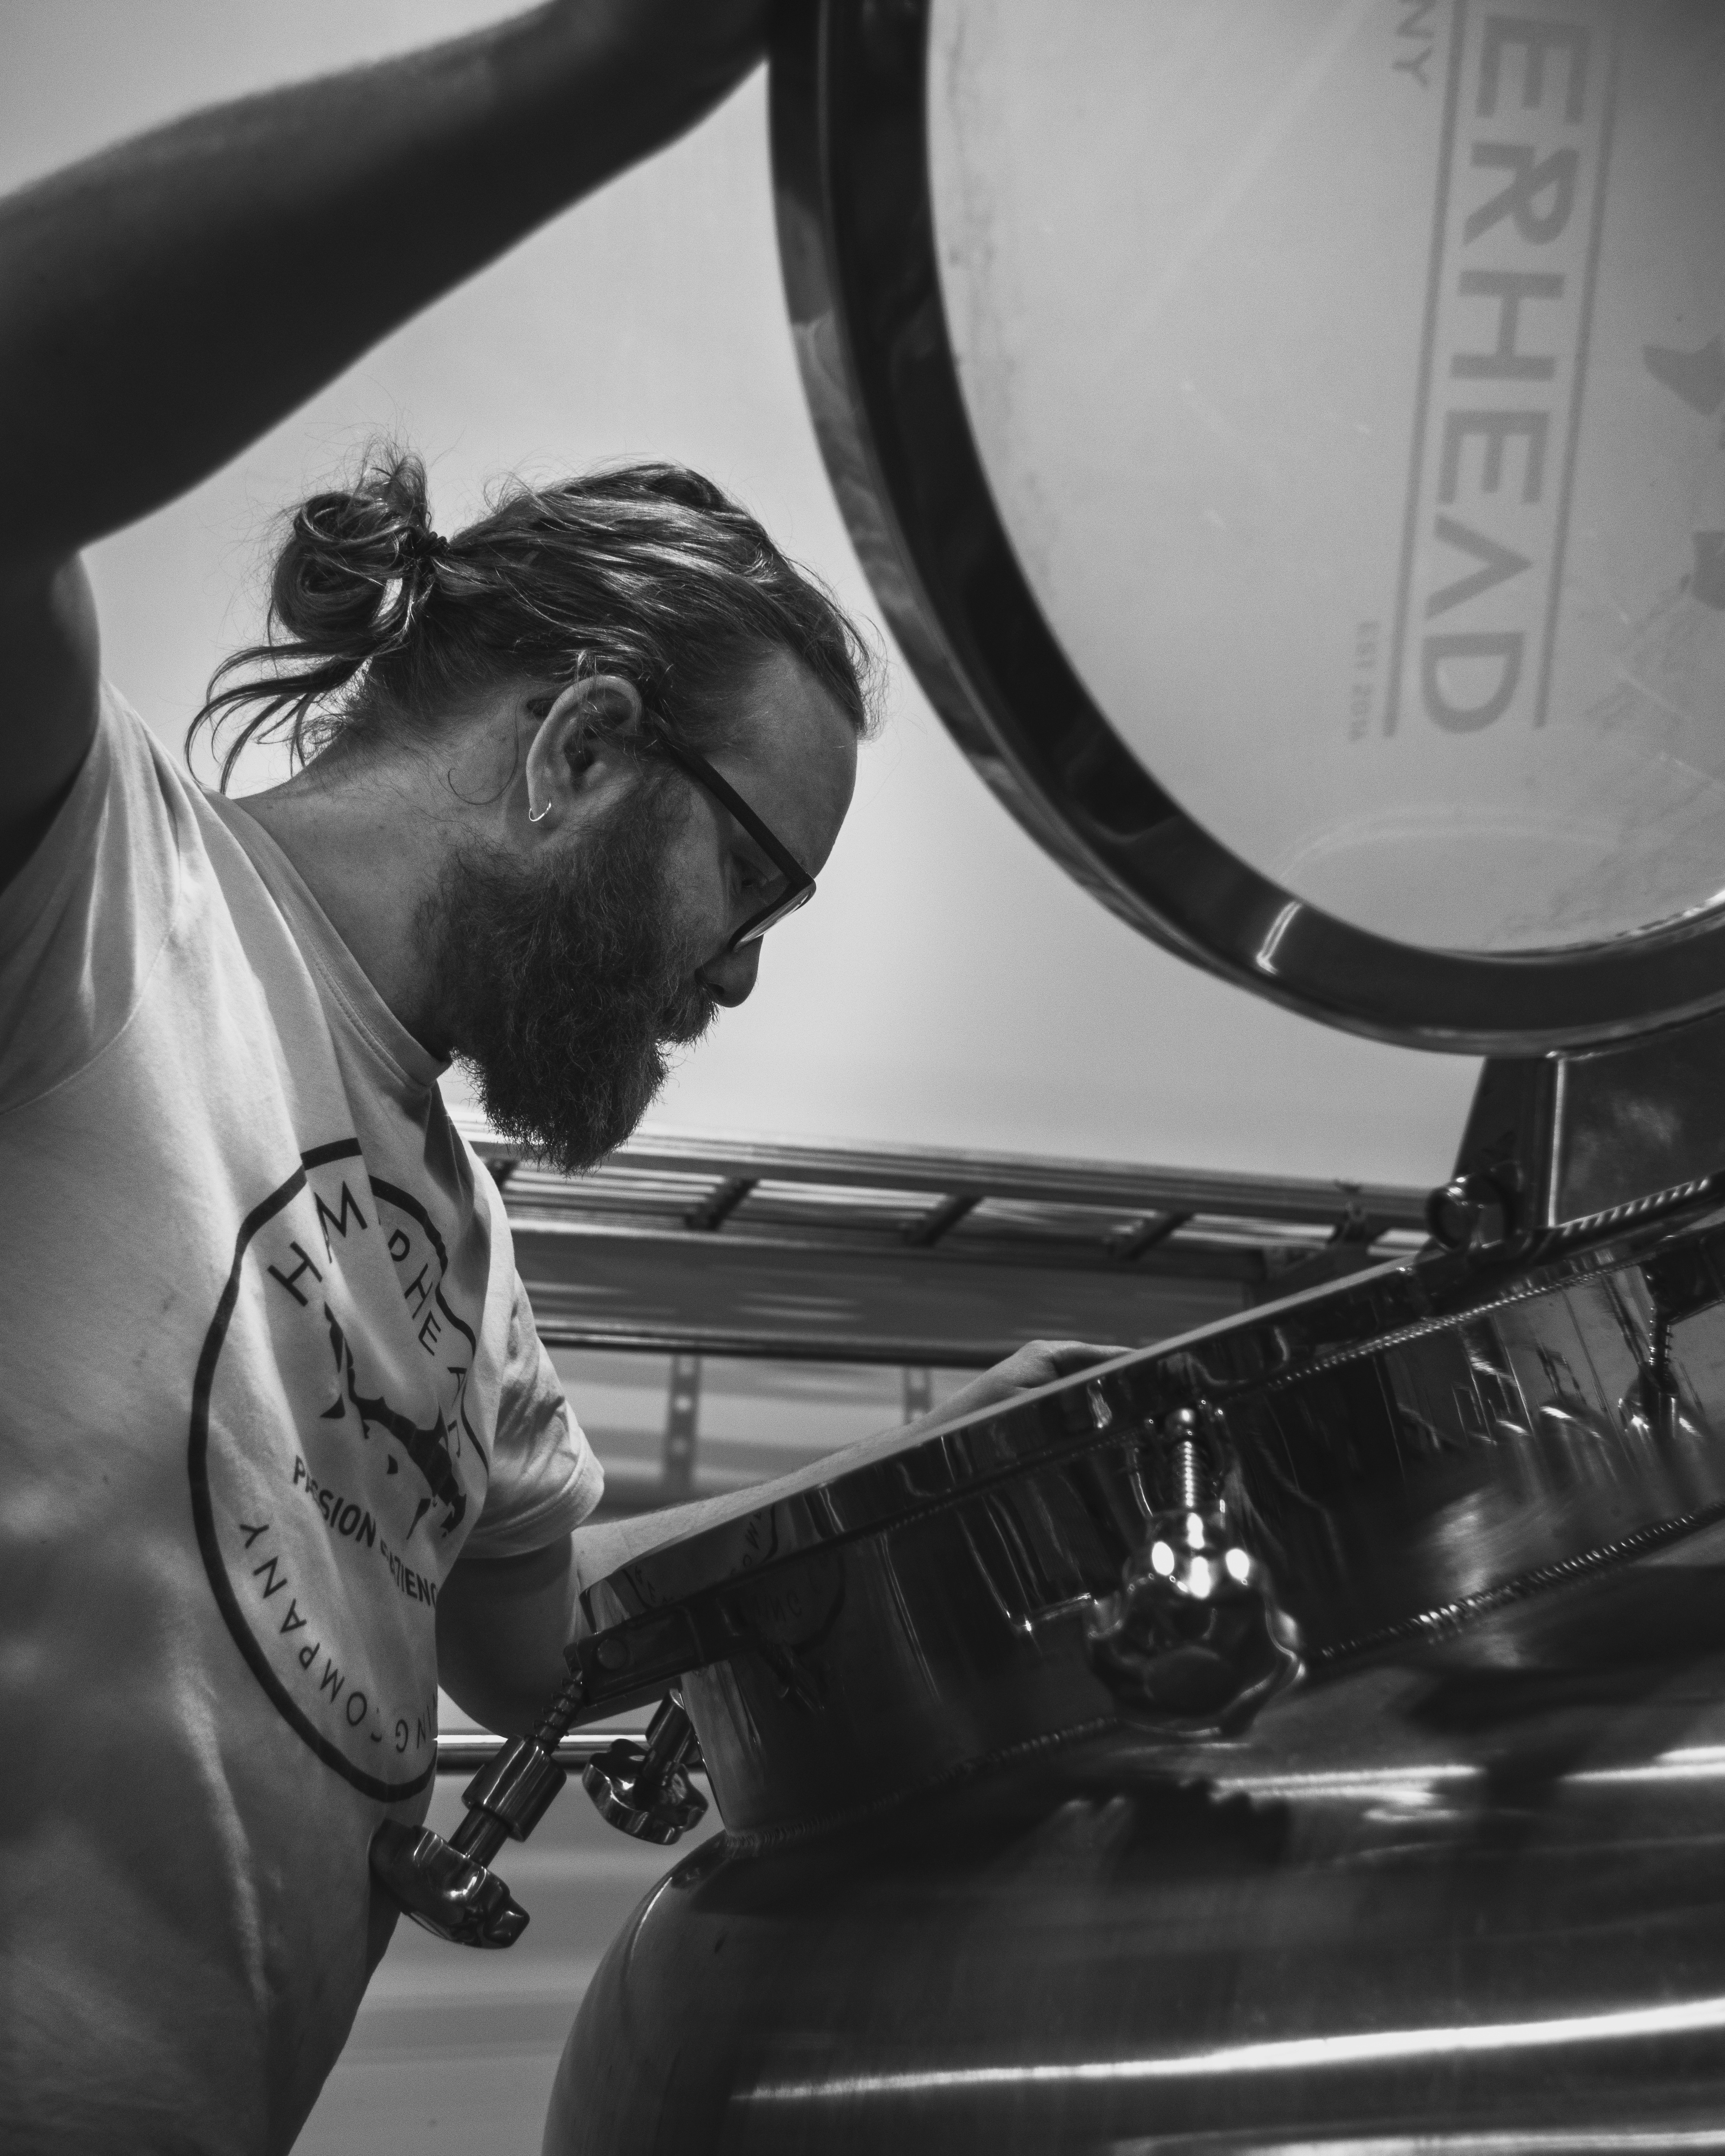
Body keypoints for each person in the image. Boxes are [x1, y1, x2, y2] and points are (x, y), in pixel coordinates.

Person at [0, 7, 1111, 2150]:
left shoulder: (464, 1257)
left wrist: (949, 1460)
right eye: (755, 883)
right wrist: (616, 62)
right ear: (584, 744)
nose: (741, 978)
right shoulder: (90, 886)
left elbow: (542, 1643)